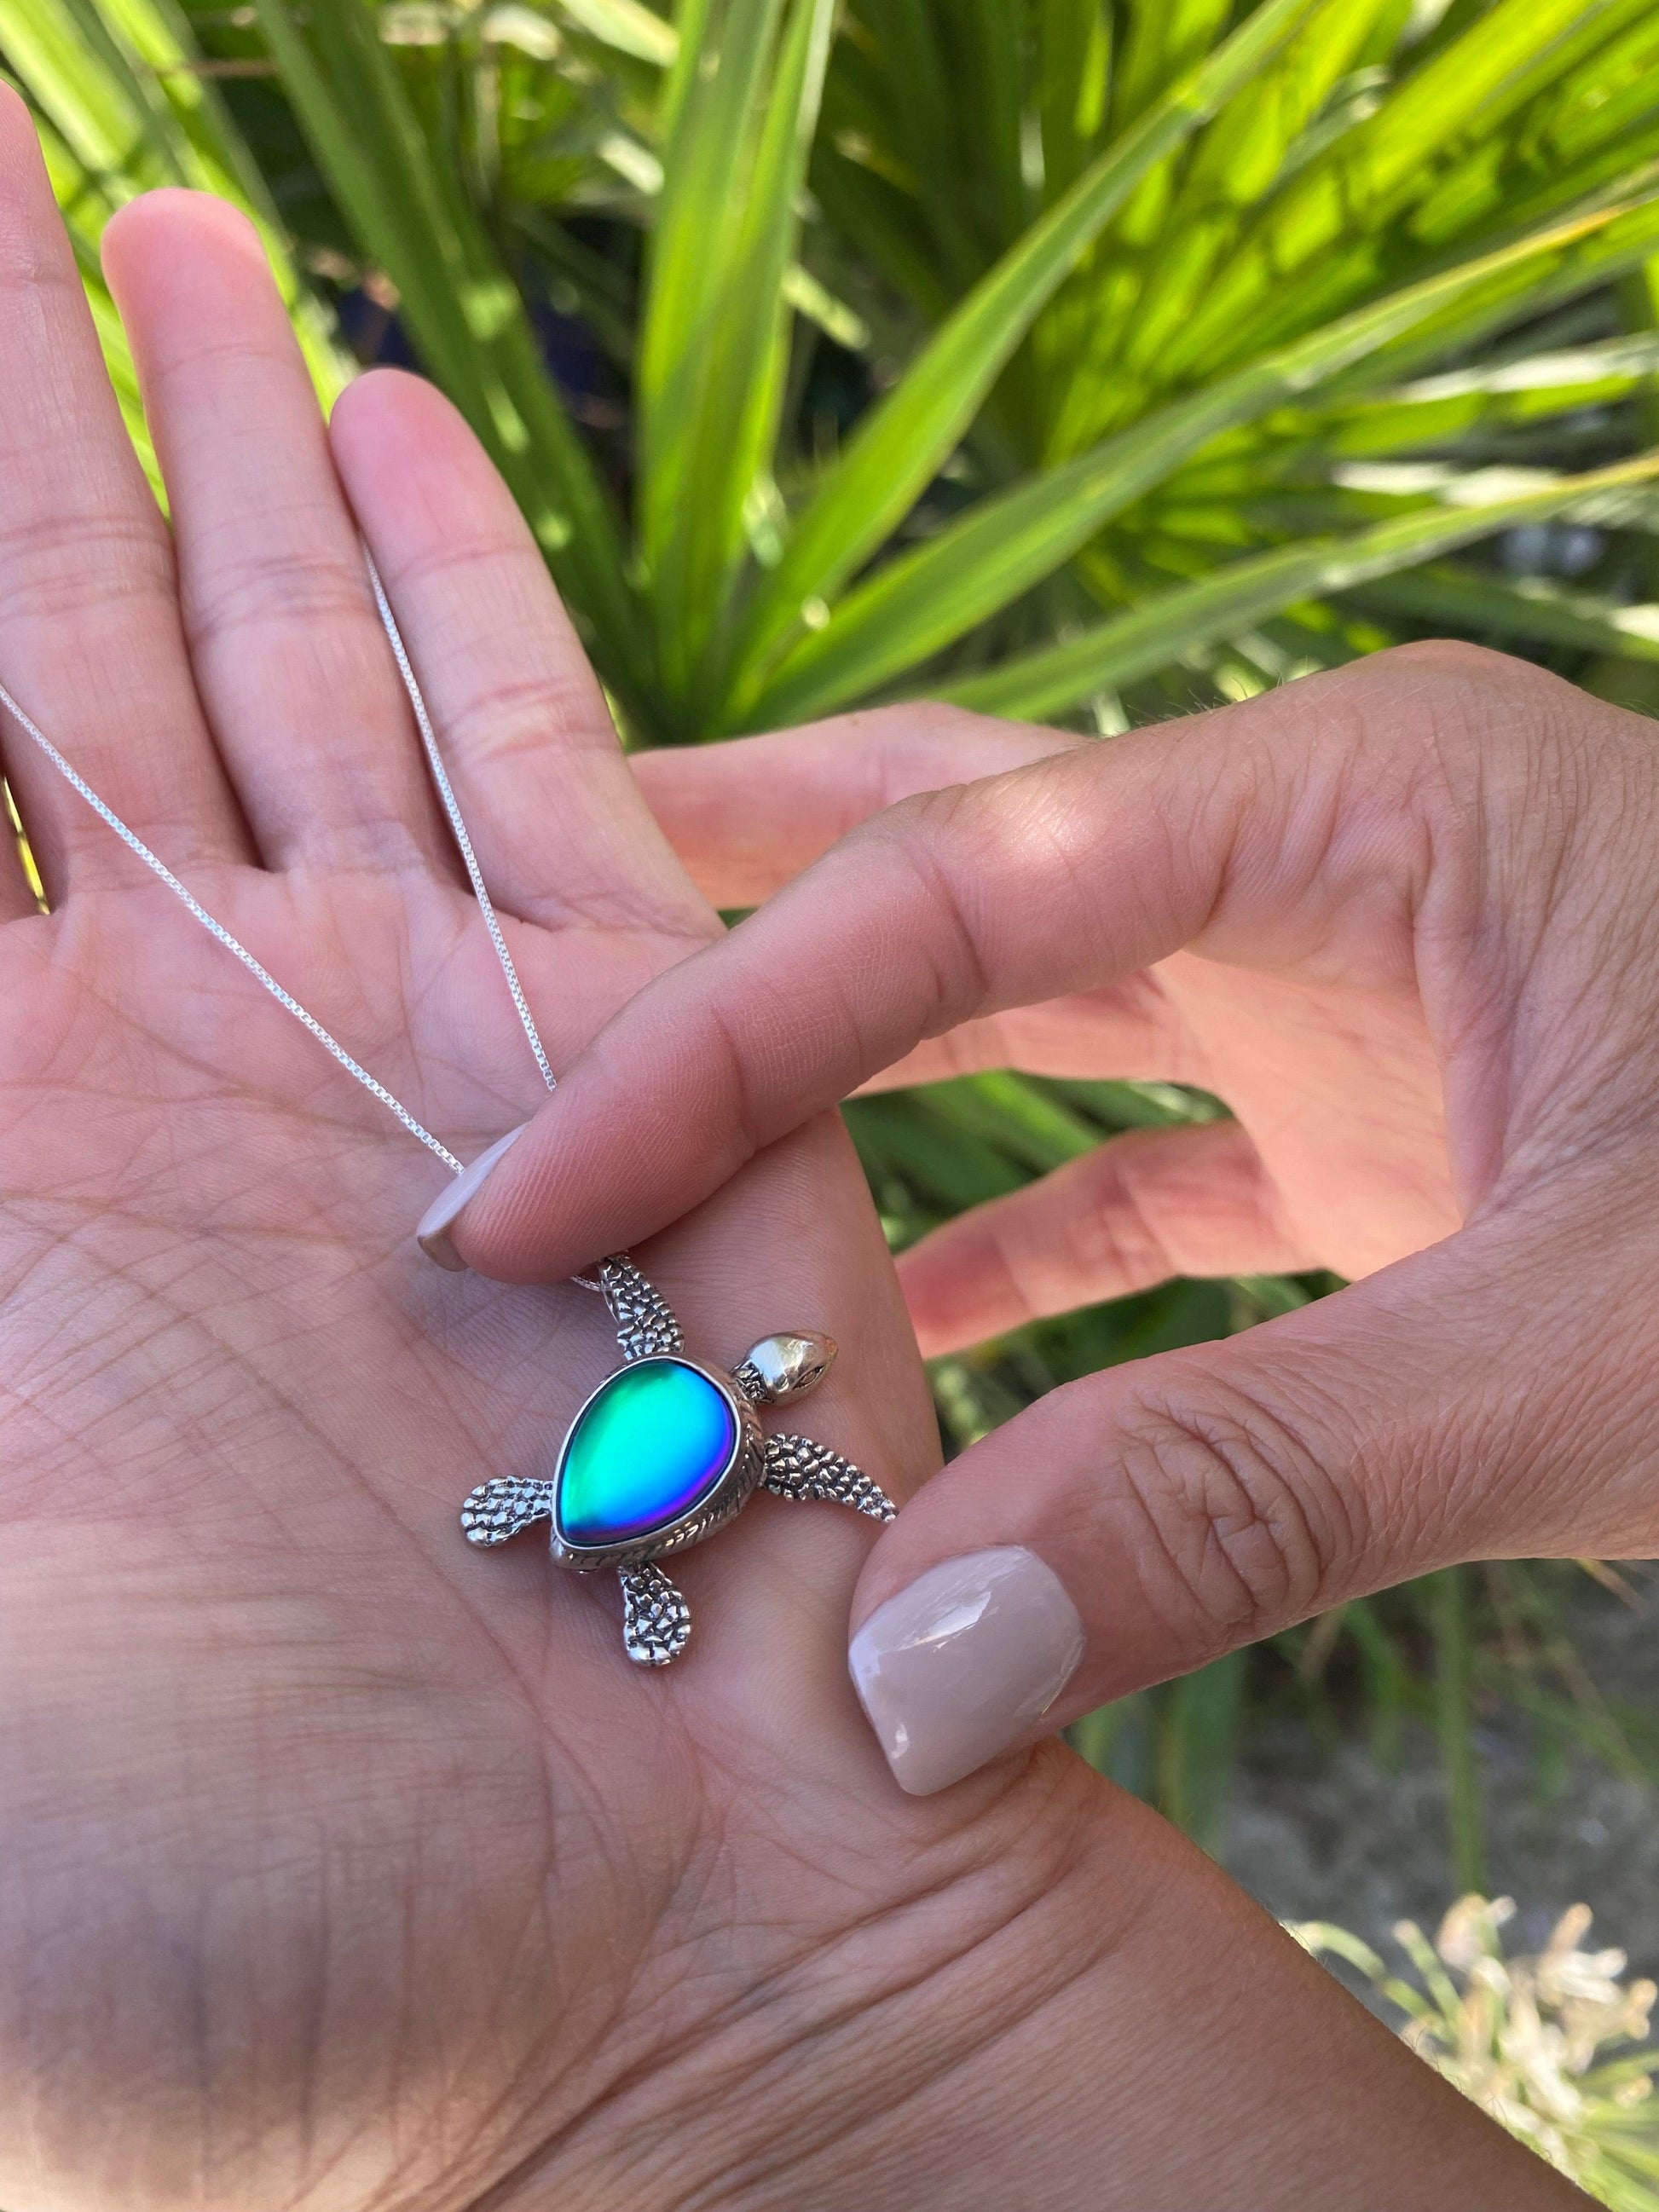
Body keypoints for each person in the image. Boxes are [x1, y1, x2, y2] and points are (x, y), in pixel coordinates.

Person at [0, 88, 1613, 2210]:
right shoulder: (743, 1423)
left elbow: (734, 1390)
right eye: (777, 1392)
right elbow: (729, 1388)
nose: (785, 1392)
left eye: (772, 1398)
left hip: (600, 1541)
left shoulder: (733, 1419)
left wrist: (786, 1995)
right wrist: (828, 1991)